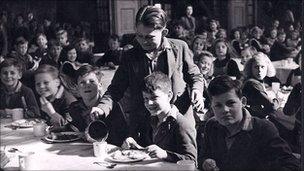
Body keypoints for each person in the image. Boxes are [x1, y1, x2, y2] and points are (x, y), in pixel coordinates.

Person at [92, 5, 205, 146]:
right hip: (144, 125)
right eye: (139, 36)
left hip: (178, 119)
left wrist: (197, 90)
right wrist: (102, 107)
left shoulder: (180, 47)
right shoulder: (130, 56)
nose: (143, 41)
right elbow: (115, 89)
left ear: (164, 32)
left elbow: (195, 76)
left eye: (149, 37)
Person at [198, 75, 299, 171]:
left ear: (243, 102)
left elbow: (291, 164)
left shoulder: (262, 128)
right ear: (211, 107)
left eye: (231, 103)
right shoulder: (212, 126)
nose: (225, 110)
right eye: (218, 105)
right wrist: (205, 162)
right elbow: (203, 155)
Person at [122, 72, 197, 164]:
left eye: (154, 97)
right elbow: (147, 150)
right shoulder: (150, 119)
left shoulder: (182, 124)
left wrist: (166, 154)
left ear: (169, 95)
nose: (149, 103)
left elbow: (192, 161)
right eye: (145, 99)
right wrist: (135, 146)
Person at [66, 65, 128, 146]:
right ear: (77, 88)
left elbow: (121, 136)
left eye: (92, 81)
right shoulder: (75, 108)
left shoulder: (112, 107)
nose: (87, 85)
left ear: (100, 86)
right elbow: (74, 127)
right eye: (82, 82)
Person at [242, 52, 280, 119]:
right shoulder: (253, 83)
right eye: (256, 67)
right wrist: (277, 99)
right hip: (253, 118)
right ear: (250, 68)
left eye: (262, 67)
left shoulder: (255, 81)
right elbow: (272, 106)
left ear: (267, 68)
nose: (259, 70)